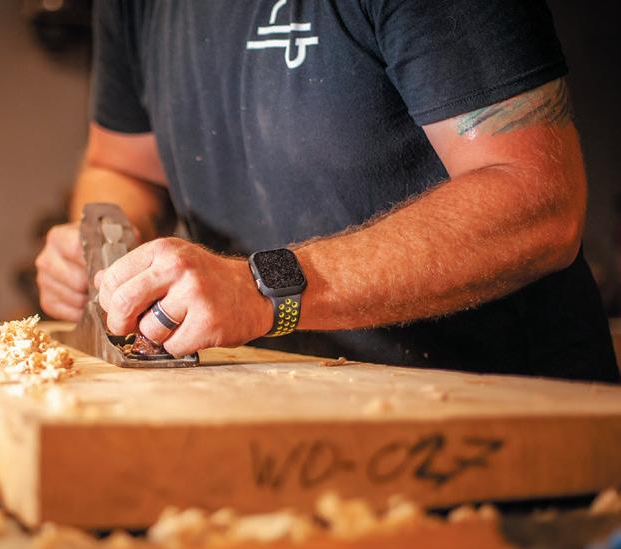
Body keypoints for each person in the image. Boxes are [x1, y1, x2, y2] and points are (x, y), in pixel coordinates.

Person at [36, 0, 619, 382]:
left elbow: (540, 199)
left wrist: (262, 290)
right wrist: (108, 254)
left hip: (490, 411)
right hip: (276, 399)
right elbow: (124, 167)